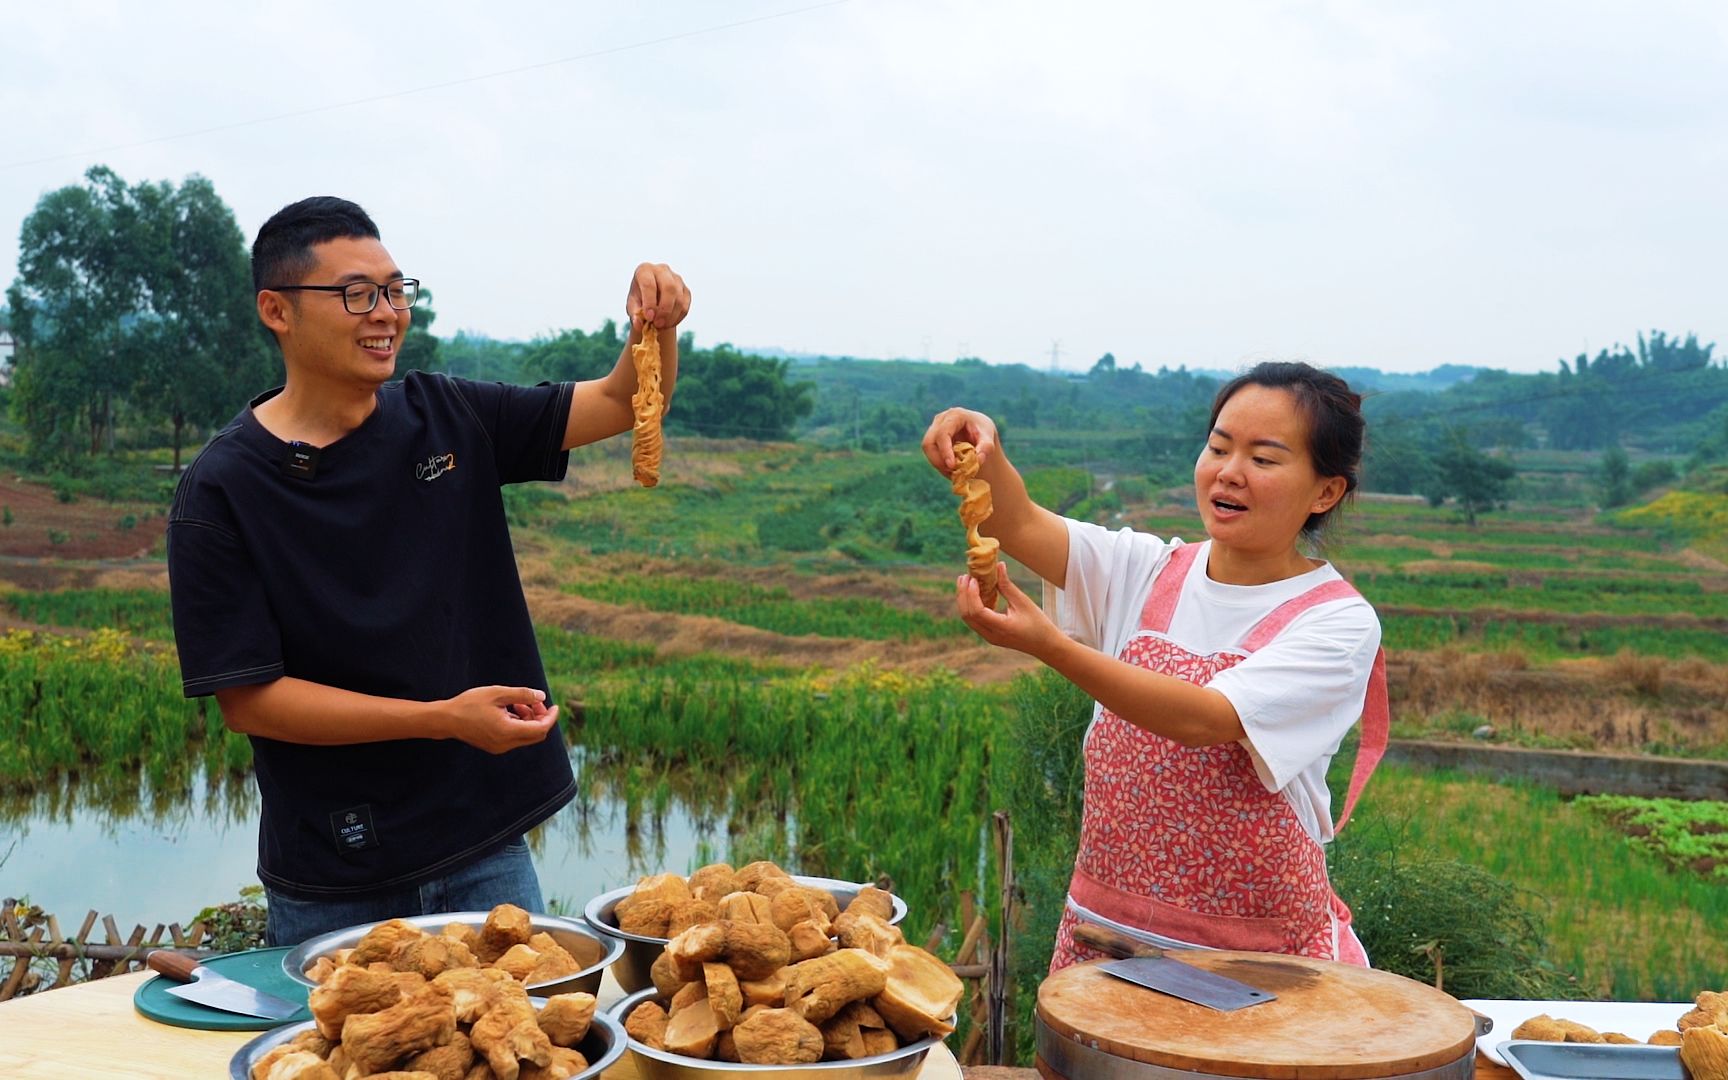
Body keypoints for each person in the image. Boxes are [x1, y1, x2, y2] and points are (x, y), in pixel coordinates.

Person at [167, 196, 690, 946]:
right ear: (276, 310)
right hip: (334, 877)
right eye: (356, 294)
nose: (385, 313)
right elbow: (251, 700)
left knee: (519, 1052)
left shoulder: (446, 415)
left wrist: (655, 326)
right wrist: (443, 720)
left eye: (394, 290)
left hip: (484, 853)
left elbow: (625, 402)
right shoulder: (223, 488)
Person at [921, 361, 1387, 968]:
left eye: (1264, 459)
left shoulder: (1336, 622)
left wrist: (1051, 646)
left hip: (1256, 965)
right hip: (1109, 943)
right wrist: (983, 449)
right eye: (1219, 446)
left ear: (1326, 492)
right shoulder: (1146, 571)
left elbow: (1207, 718)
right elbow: (1018, 523)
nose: (1230, 471)